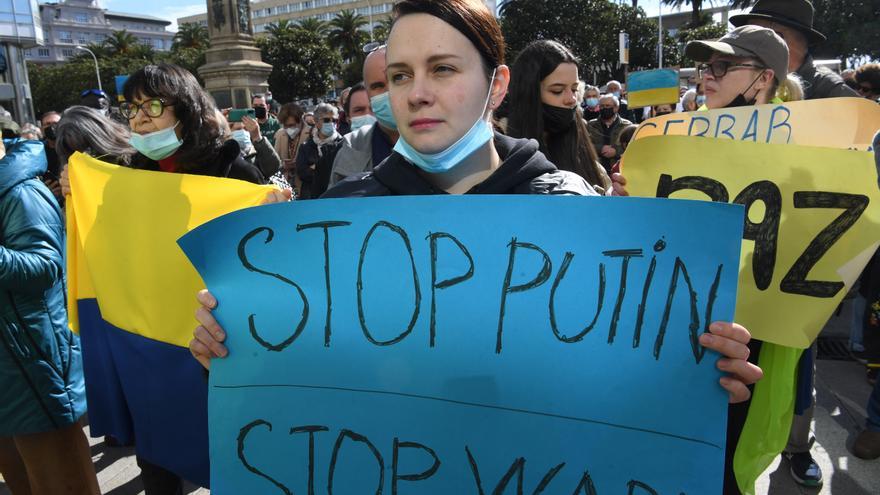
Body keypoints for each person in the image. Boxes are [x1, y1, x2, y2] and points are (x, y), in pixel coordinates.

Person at [190, 0, 763, 427]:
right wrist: (237, 359)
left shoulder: (577, 212)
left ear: (498, 83)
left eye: (443, 68)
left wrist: (705, 379)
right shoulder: (339, 219)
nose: (416, 93)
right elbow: (301, 396)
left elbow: (628, 400)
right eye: (399, 74)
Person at [78, 63, 266, 494]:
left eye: (153, 106)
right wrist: (79, 190)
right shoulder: (125, 177)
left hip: (217, 344)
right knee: (157, 456)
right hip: (151, 344)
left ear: (187, 110)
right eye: (133, 108)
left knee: (229, 456)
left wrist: (273, 207)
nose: (140, 118)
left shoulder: (233, 173)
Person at [686, 24, 804, 494]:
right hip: (684, 332)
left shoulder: (804, 151)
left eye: (723, 66)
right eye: (705, 65)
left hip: (752, 342)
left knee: (724, 458)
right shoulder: (679, 136)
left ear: (764, 80)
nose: (706, 76)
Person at [0, 135, 100, 495]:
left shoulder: (21, 192)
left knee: (60, 480)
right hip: (11, 372)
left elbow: (45, 268)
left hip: (32, 367)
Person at [505, 39, 610, 192]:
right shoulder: (497, 156)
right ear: (529, 93)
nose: (571, 99)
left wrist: (615, 197)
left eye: (574, 89)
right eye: (557, 91)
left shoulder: (588, 159)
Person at [729, 0, 857, 101]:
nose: (755, 43)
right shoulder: (736, 80)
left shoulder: (829, 90)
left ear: (803, 43)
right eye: (750, 33)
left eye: (774, 35)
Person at [329, 45, 401, 187]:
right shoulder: (350, 147)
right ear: (368, 94)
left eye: (398, 79)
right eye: (378, 86)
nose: (389, 93)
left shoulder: (443, 140)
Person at [295, 102, 342, 199]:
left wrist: (315, 167)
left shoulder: (342, 143)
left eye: (334, 120)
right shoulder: (306, 146)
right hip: (311, 198)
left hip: (335, 196)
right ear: (316, 122)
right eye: (326, 120)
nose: (331, 123)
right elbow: (302, 174)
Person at [228, 114, 282, 181]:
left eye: (246, 129)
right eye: (238, 129)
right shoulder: (226, 154)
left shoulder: (258, 149)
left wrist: (258, 138)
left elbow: (274, 167)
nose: (243, 132)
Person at [587, 94, 633, 174]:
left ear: (616, 108)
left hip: (619, 170)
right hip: (596, 170)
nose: (604, 108)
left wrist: (616, 151)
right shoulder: (591, 125)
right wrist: (600, 149)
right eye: (601, 106)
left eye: (607, 106)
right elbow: (584, 145)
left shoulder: (627, 125)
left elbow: (632, 147)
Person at [272, 102, 309, 195]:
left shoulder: (311, 134)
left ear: (300, 121)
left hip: (305, 187)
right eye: (285, 126)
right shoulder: (280, 134)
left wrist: (299, 164)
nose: (288, 129)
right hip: (285, 187)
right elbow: (274, 161)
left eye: (291, 125)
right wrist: (283, 165)